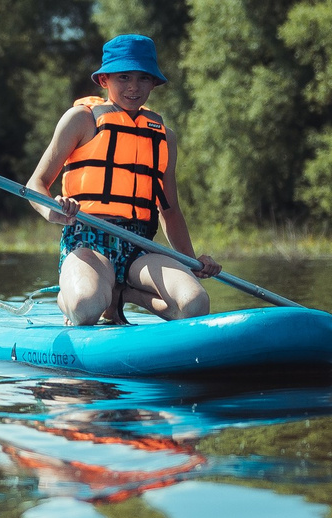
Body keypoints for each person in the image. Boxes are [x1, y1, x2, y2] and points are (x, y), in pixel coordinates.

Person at [24, 34, 220, 326]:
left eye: (143, 78)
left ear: (154, 83)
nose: (133, 87)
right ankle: (71, 297)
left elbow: (169, 211)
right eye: (124, 77)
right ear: (104, 80)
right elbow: (34, 185)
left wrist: (191, 262)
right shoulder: (80, 120)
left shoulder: (164, 137)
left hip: (138, 245)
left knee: (194, 304)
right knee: (86, 307)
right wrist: (51, 209)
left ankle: (125, 294)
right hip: (87, 238)